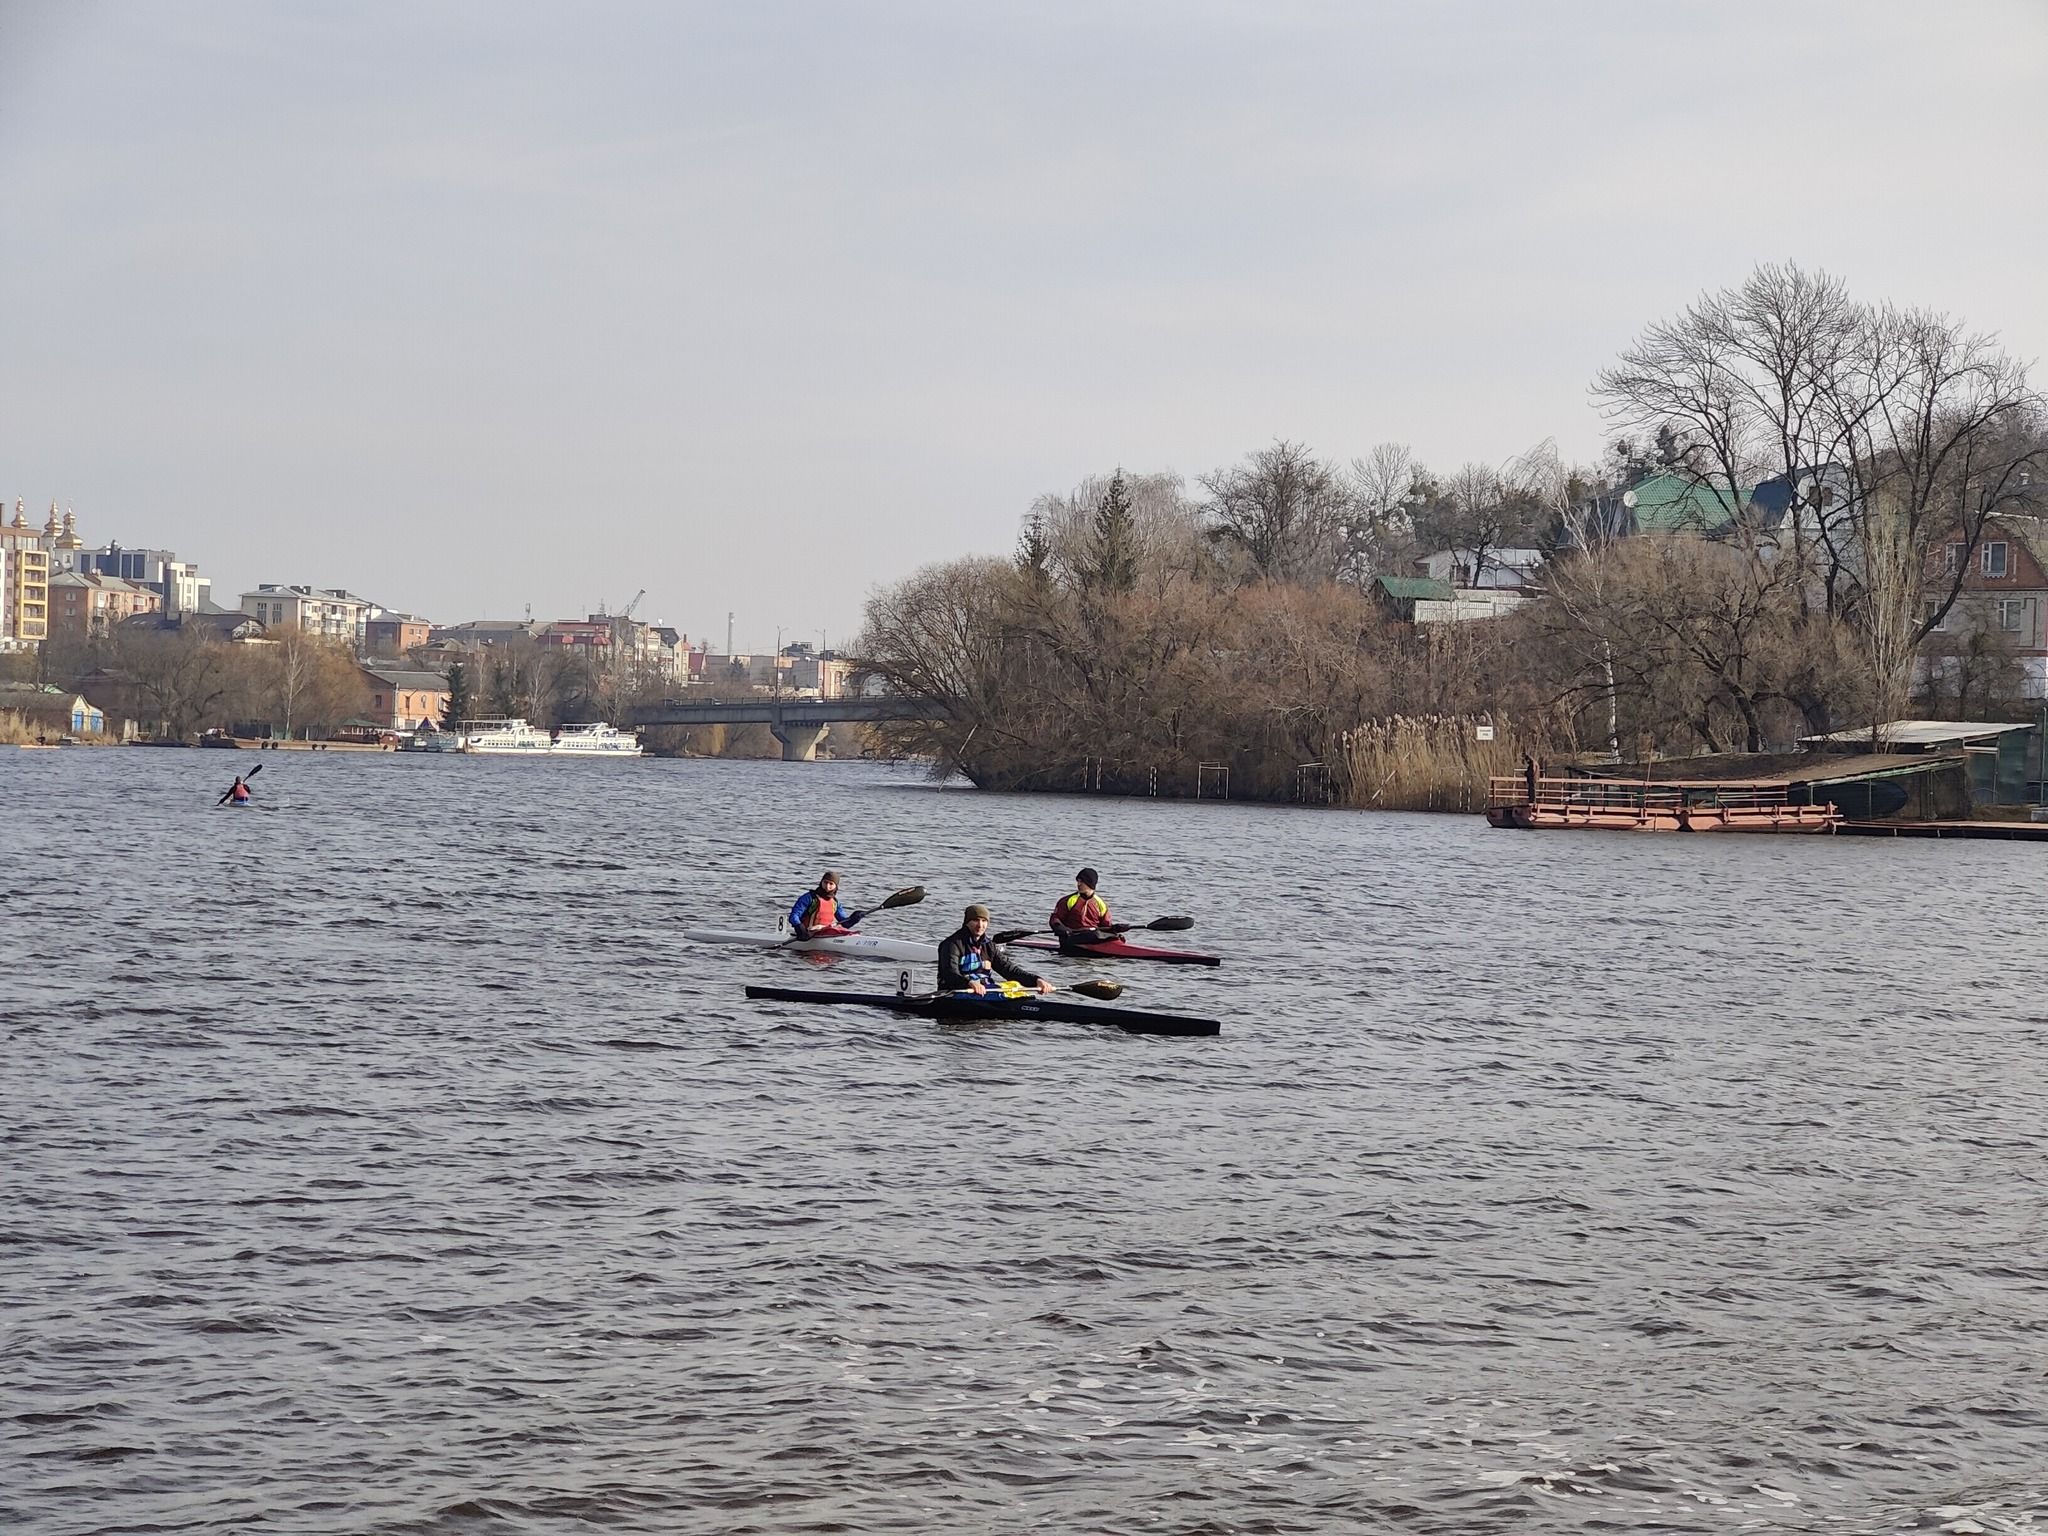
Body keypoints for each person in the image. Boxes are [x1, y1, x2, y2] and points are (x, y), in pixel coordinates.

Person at [939, 904, 1053, 996]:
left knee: (1015, 987)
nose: (980, 925)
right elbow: (950, 973)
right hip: (956, 993)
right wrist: (969, 983)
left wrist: (1037, 980)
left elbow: (1009, 971)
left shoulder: (989, 946)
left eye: (984, 921)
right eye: (975, 920)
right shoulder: (951, 944)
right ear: (967, 922)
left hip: (985, 991)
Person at [1049, 867, 1116, 947]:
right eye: (1078, 881)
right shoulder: (1068, 901)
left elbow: (1106, 926)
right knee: (1093, 935)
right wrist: (1061, 928)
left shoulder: (1101, 904)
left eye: (1081, 882)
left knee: (1117, 937)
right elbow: (1055, 919)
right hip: (1070, 938)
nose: (1078, 884)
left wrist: (1116, 928)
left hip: (1092, 937)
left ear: (1090, 884)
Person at [788, 870, 864, 940]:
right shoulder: (809, 898)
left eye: (831, 884)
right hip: (809, 933)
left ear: (836, 886)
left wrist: (854, 919)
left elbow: (845, 923)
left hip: (826, 932)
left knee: (848, 932)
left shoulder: (835, 902)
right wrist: (800, 928)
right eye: (825, 882)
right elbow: (794, 916)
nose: (827, 886)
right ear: (821, 882)